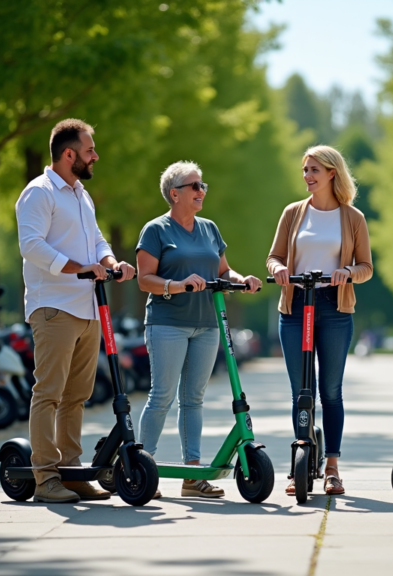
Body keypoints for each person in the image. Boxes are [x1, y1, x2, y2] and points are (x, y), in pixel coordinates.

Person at [16, 119, 136, 504]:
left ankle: (71, 471)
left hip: (87, 306)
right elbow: (31, 245)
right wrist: (76, 267)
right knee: (48, 393)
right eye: (89, 150)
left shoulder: (81, 194)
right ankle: (45, 478)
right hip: (54, 306)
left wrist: (110, 260)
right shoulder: (39, 192)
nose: (94, 155)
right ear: (69, 154)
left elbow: (97, 239)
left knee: (77, 396)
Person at [136, 160, 261, 499]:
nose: (201, 190)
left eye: (203, 185)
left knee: (194, 399)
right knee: (162, 396)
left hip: (206, 324)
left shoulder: (209, 228)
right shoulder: (156, 230)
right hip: (167, 323)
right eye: (194, 186)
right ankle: (140, 469)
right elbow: (144, 279)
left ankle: (192, 475)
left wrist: (240, 279)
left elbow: (223, 269)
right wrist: (177, 285)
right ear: (174, 194)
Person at [267, 145, 373, 496]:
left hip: (334, 307)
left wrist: (347, 272)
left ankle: (331, 467)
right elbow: (274, 257)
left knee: (330, 391)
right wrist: (279, 269)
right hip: (296, 305)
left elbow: (366, 268)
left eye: (314, 170)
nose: (307, 176)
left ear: (332, 173)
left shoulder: (353, 217)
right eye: (305, 170)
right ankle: (300, 457)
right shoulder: (293, 213)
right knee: (301, 391)